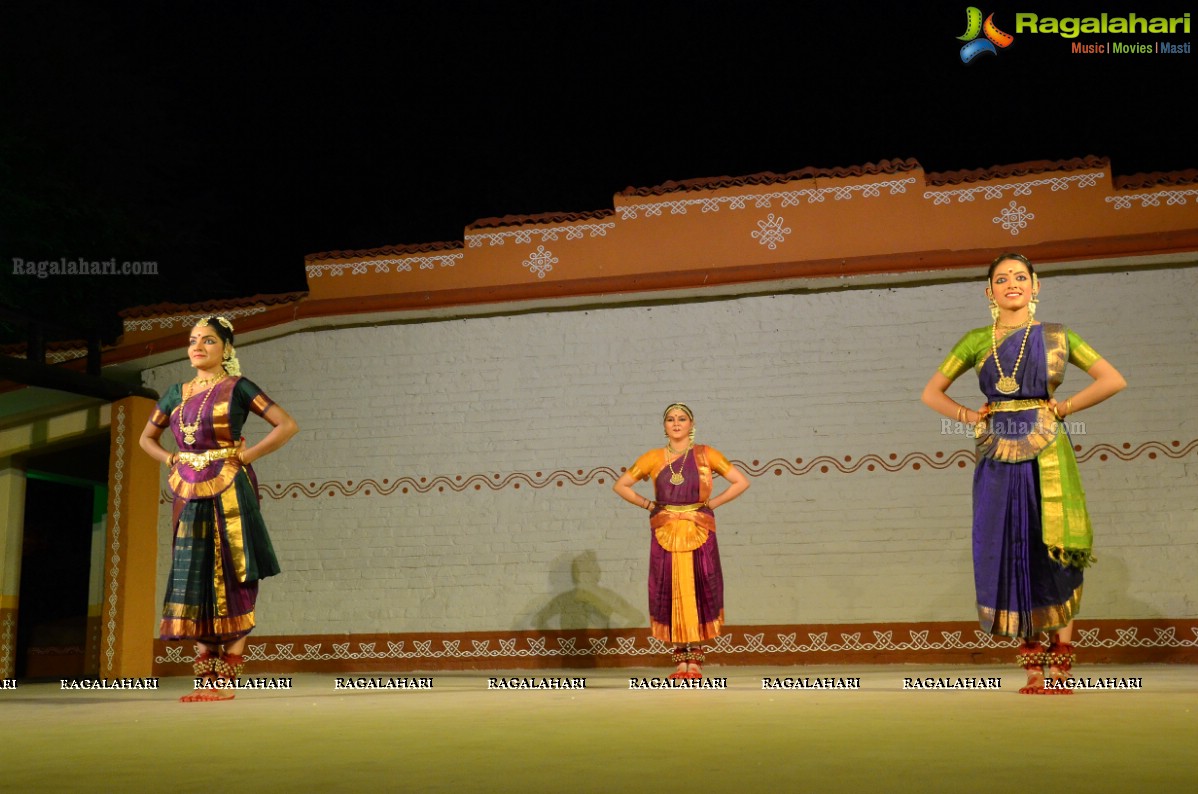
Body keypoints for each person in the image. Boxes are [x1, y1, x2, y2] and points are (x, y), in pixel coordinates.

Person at [921, 253, 1125, 694]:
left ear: (1036, 286)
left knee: (1053, 544)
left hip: (1049, 449)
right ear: (988, 291)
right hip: (995, 452)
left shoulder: (1057, 336)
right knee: (1011, 545)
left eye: (1020, 277)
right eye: (1001, 279)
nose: (1011, 284)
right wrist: (968, 416)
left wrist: (1065, 407)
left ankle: (1062, 667)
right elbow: (931, 393)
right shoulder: (977, 340)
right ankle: (1034, 667)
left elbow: (1112, 379)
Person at [139, 316, 299, 701]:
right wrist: (171, 460)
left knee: (232, 567)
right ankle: (205, 674)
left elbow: (285, 424)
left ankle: (227, 675)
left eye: (208, 341)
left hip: (231, 484)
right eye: (193, 340)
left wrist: (246, 455)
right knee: (192, 568)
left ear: (226, 348)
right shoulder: (175, 393)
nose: (198, 347)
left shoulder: (238, 388)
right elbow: (148, 438)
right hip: (188, 489)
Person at [613, 403, 749, 679]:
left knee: (697, 588)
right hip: (665, 530)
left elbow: (740, 481)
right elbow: (621, 485)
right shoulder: (653, 458)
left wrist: (712, 504)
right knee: (671, 589)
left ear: (691, 424)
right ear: (664, 426)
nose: (676, 424)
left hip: (699, 529)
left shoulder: (705, 455)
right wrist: (649, 505)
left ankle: (695, 661)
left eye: (682, 419)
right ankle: (680, 662)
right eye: (671, 420)